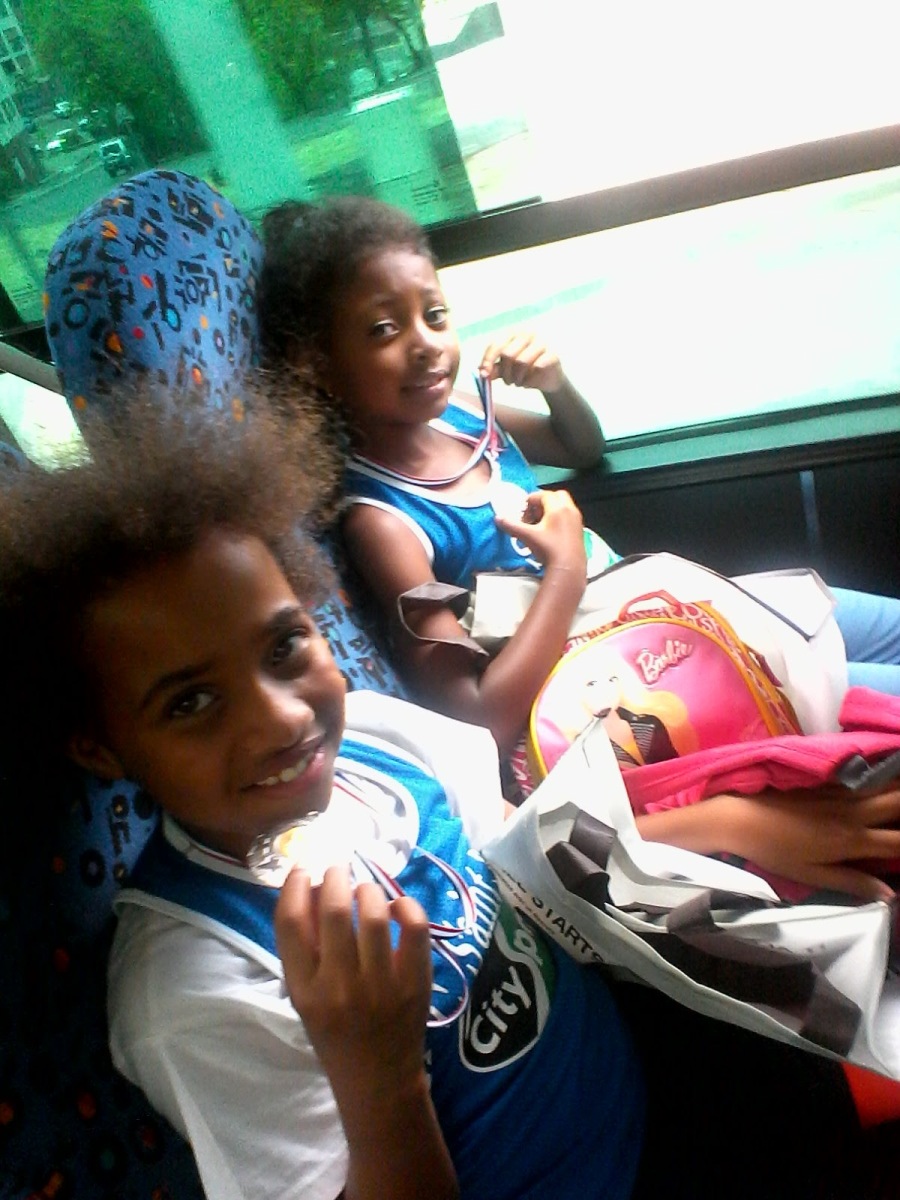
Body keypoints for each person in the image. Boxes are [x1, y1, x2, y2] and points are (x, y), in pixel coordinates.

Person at [1, 390, 896, 1200]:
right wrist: (379, 1077)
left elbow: (531, 860)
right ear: (100, 746)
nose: (283, 719)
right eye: (191, 703)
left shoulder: (374, 742)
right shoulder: (196, 988)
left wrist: (731, 821)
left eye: (284, 648)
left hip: (646, 1050)